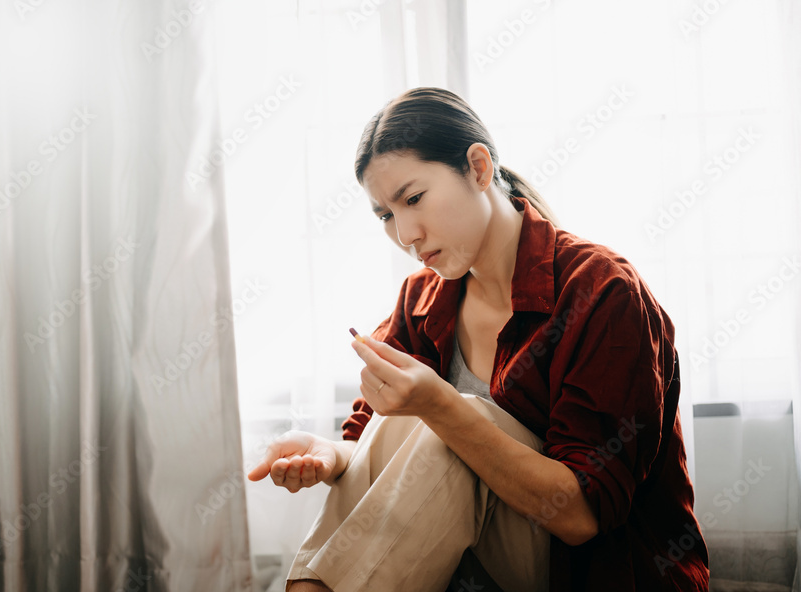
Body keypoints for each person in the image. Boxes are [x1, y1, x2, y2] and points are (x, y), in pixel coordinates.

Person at [247, 87, 709, 591]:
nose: (405, 234)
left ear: (479, 168)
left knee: (456, 422)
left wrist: (442, 407)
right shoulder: (423, 298)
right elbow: (373, 454)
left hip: (582, 568)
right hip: (476, 565)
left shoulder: (602, 291)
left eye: (414, 198)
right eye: (385, 215)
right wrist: (323, 453)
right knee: (423, 421)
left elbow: (581, 518)